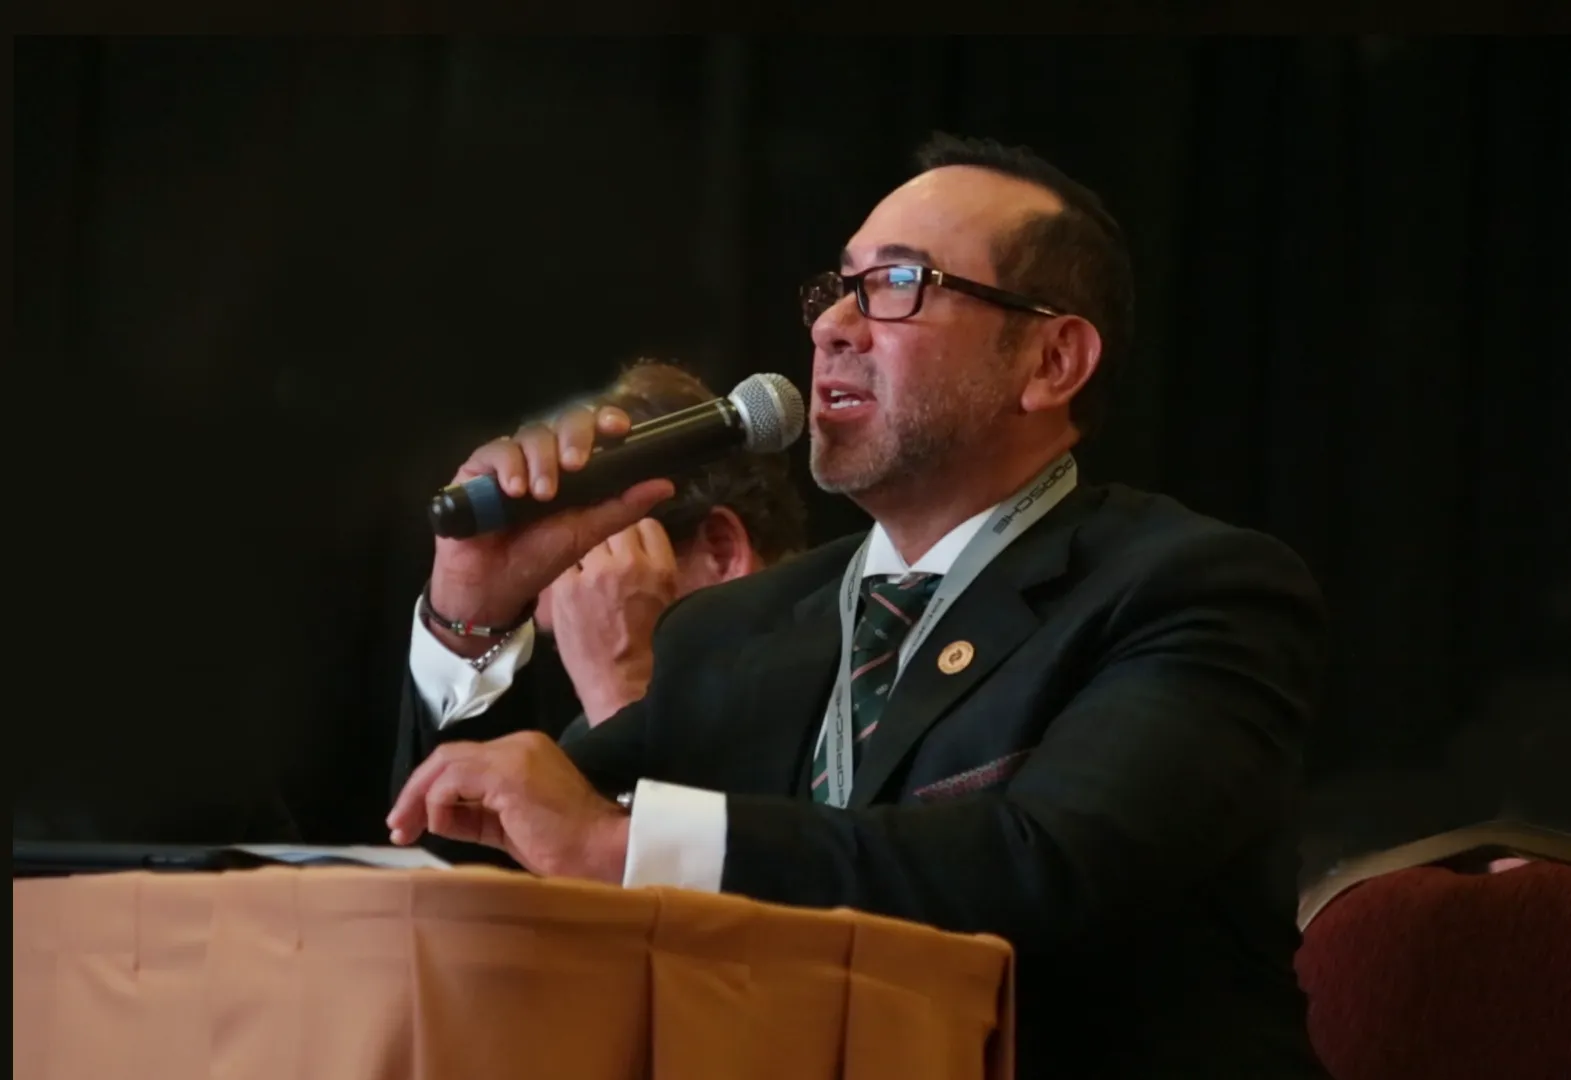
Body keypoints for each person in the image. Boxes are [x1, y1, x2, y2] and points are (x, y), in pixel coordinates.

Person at [387, 133, 1331, 1078]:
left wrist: (619, 843)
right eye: (837, 289)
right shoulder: (733, 630)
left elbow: (1048, 865)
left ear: (1051, 361)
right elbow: (463, 894)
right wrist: (472, 611)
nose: (834, 327)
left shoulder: (1189, 588)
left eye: (898, 284)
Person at [393, 360, 807, 859]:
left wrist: (623, 685)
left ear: (718, 550)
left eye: (591, 584)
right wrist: (466, 619)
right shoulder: (579, 731)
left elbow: (760, 888)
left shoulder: (836, 699)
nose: (577, 654)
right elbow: (459, 887)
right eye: (563, 636)